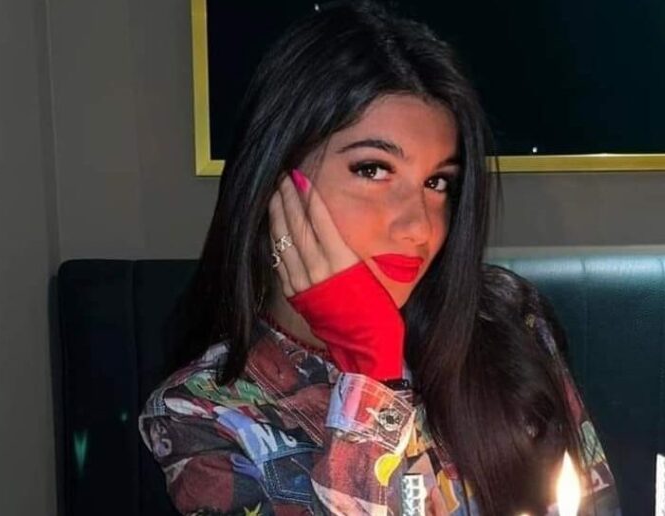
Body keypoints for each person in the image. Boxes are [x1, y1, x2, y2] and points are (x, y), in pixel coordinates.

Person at [139, 2, 620, 514]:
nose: (418, 226)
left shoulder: (508, 324)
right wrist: (371, 366)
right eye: (372, 170)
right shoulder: (199, 413)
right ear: (277, 181)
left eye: (437, 182)